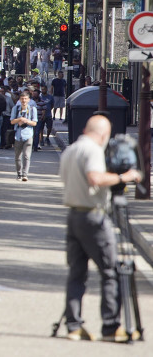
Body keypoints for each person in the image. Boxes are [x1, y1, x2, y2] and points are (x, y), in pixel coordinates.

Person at [59, 115, 142, 342]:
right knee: (110, 271)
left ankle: (73, 325)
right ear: (104, 134)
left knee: (77, 273)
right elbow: (95, 178)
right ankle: (110, 326)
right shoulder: (92, 151)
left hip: (74, 214)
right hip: (93, 216)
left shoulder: (72, 149)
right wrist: (124, 176)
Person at [10, 90, 38, 181]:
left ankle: (25, 174)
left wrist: (26, 121)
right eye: (22, 99)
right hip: (18, 135)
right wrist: (19, 119)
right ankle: (19, 173)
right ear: (19, 100)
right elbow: (12, 121)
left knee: (26, 156)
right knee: (17, 156)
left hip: (28, 134)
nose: (24, 101)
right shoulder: (16, 108)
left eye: (25, 99)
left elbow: (34, 123)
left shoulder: (32, 109)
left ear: (29, 100)